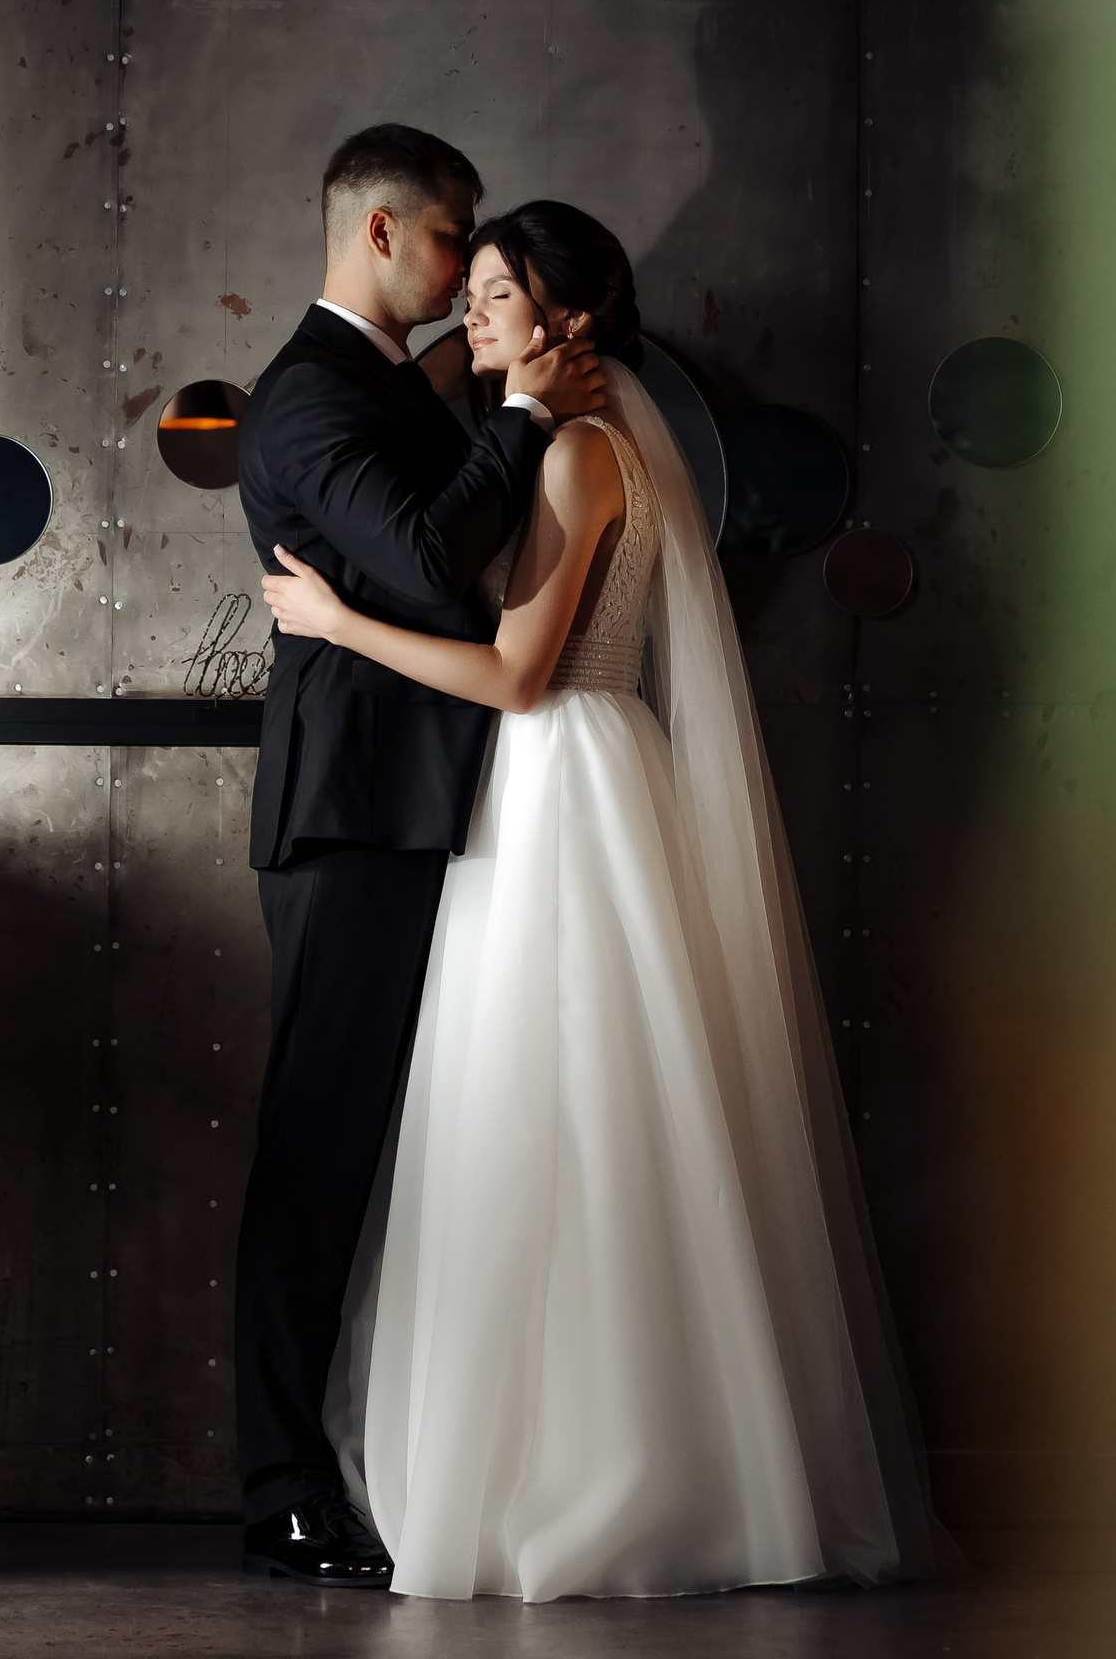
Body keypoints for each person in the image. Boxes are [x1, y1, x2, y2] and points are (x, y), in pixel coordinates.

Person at [262, 199, 953, 1601]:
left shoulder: (579, 453)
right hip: (574, 774)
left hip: (555, 775)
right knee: (568, 1115)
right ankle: (593, 1445)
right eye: (474, 286)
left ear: (566, 320)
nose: (474, 311)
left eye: (500, 292)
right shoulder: (578, 440)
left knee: (559, 1115)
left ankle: (590, 1469)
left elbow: (519, 675)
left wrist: (339, 624)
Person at [233, 128, 604, 1589]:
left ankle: (384, 1464)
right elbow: (430, 556)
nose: (464, 274)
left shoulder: (396, 382)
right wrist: (520, 411)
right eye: (454, 240)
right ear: (381, 232)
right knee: (316, 1154)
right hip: (352, 817)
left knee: (402, 1156)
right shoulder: (307, 398)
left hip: (427, 806)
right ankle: (282, 1492)